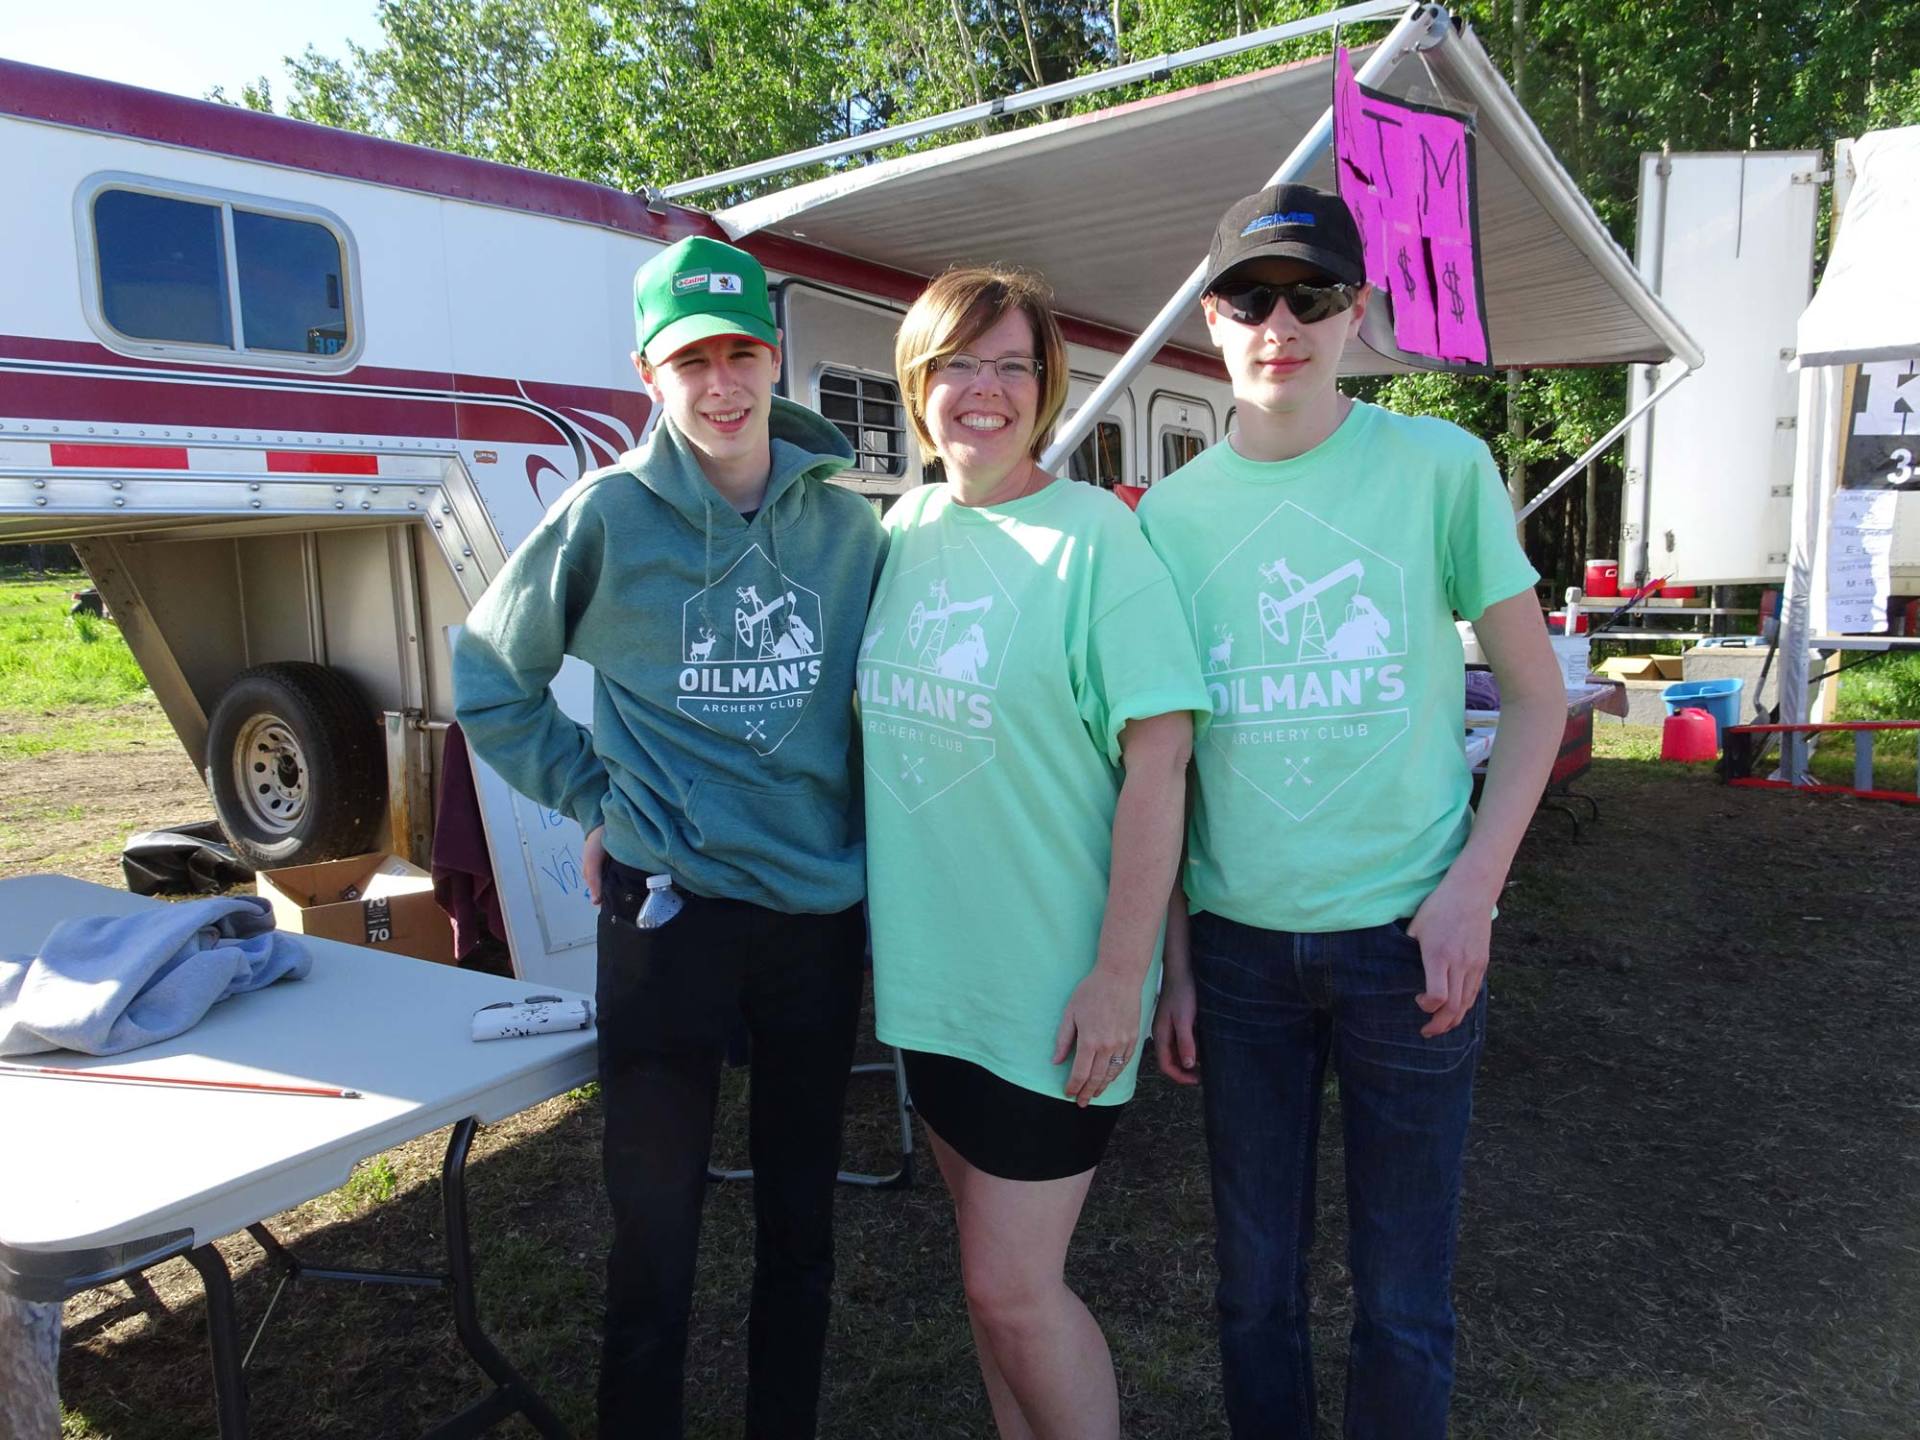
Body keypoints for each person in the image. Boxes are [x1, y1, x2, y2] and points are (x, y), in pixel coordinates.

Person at [1136, 184, 1565, 1439]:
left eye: (1312, 295)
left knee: (1404, 1296)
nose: (1283, 323)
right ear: (1211, 322)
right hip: (1240, 954)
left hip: (1407, 943)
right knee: (1253, 1293)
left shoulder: (1439, 467)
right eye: (1252, 298)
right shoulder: (1166, 519)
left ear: (1357, 313)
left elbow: (1536, 703)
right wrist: (1175, 965)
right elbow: (1160, 763)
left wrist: (1471, 892)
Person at [453, 234, 884, 1439]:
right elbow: (491, 679)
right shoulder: (604, 520)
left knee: (802, 1219)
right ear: (650, 371)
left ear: (775, 355)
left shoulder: (850, 535)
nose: (722, 383)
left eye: (741, 351)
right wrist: (598, 801)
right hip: (666, 916)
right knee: (655, 1231)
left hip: (814, 916)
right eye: (691, 359)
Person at [858, 267, 1210, 1438]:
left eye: (1014, 365)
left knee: (1013, 1290)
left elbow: (1160, 764)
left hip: (1051, 992)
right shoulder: (901, 531)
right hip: (931, 984)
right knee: (984, 1287)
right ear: (919, 386)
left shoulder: (1097, 539)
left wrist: (1128, 973)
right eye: (960, 363)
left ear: (1047, 387)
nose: (986, 390)